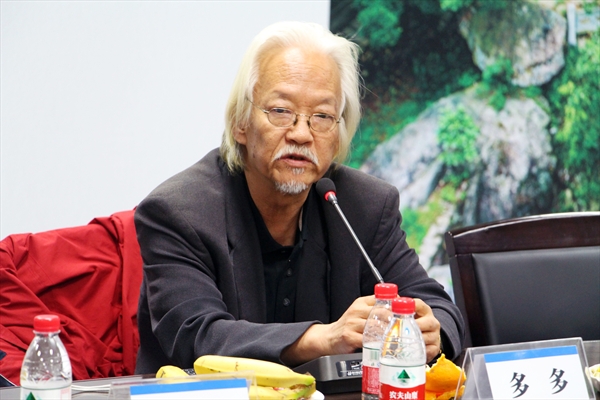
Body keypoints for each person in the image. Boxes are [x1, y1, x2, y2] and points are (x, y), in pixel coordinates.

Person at [134, 21, 465, 374]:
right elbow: (197, 336)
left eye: (322, 116)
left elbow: (439, 308)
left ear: (338, 134)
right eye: (281, 111)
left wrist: (430, 332)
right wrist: (321, 340)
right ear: (240, 123)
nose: (301, 134)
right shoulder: (178, 212)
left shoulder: (365, 205)